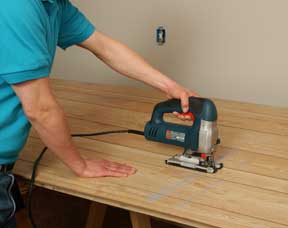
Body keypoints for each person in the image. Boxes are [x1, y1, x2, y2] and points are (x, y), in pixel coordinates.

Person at [0, 0, 198, 227]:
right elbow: (41, 109)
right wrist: (79, 165)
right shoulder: (15, 6)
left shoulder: (54, 5)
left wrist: (170, 87)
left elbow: (103, 46)